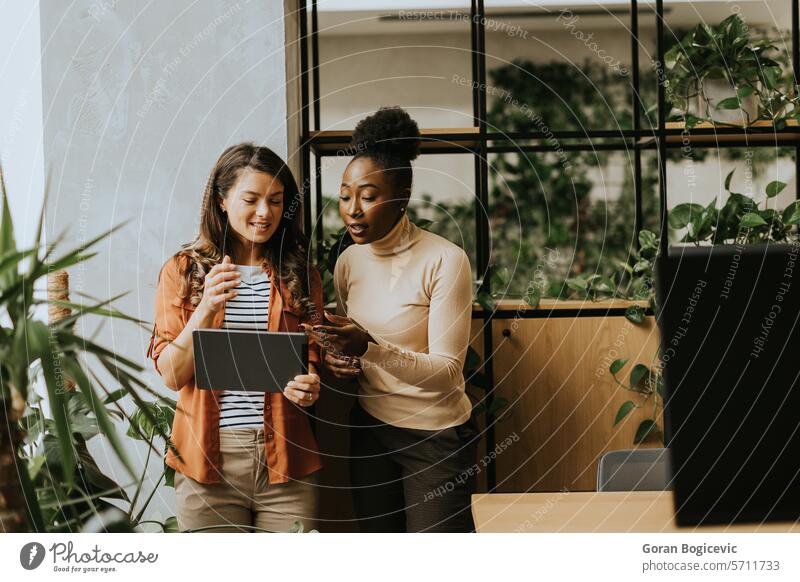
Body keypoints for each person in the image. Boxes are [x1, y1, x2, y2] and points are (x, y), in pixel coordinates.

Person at [308, 107, 478, 532]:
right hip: (369, 430)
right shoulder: (348, 261)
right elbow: (355, 350)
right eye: (345, 195)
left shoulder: (445, 260)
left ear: (402, 196)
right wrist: (343, 360)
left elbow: (447, 374)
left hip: (434, 440)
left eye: (368, 196)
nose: (352, 210)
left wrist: (369, 348)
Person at [147, 143, 323, 532]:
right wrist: (207, 307)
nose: (265, 213)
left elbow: (311, 358)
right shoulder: (184, 271)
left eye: (276, 201)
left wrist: (311, 385)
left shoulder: (299, 274)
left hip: (287, 464)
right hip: (208, 464)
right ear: (222, 201)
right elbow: (172, 375)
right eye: (251, 199)